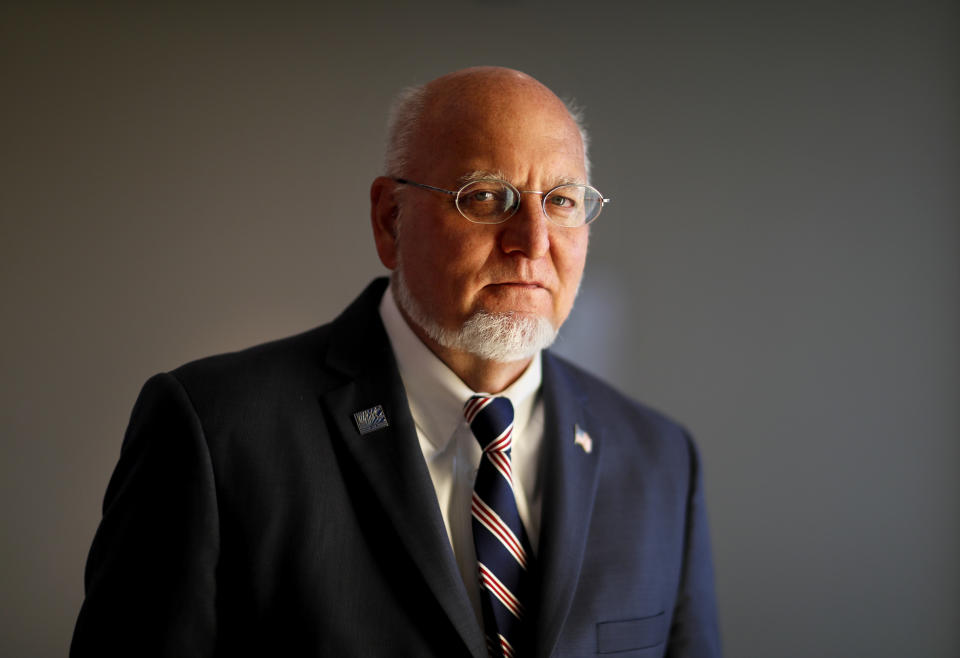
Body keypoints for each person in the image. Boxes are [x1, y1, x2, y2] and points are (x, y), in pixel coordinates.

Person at [71, 66, 721, 657]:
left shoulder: (660, 459)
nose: (533, 243)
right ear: (390, 219)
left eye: (561, 201)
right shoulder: (218, 433)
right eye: (487, 197)